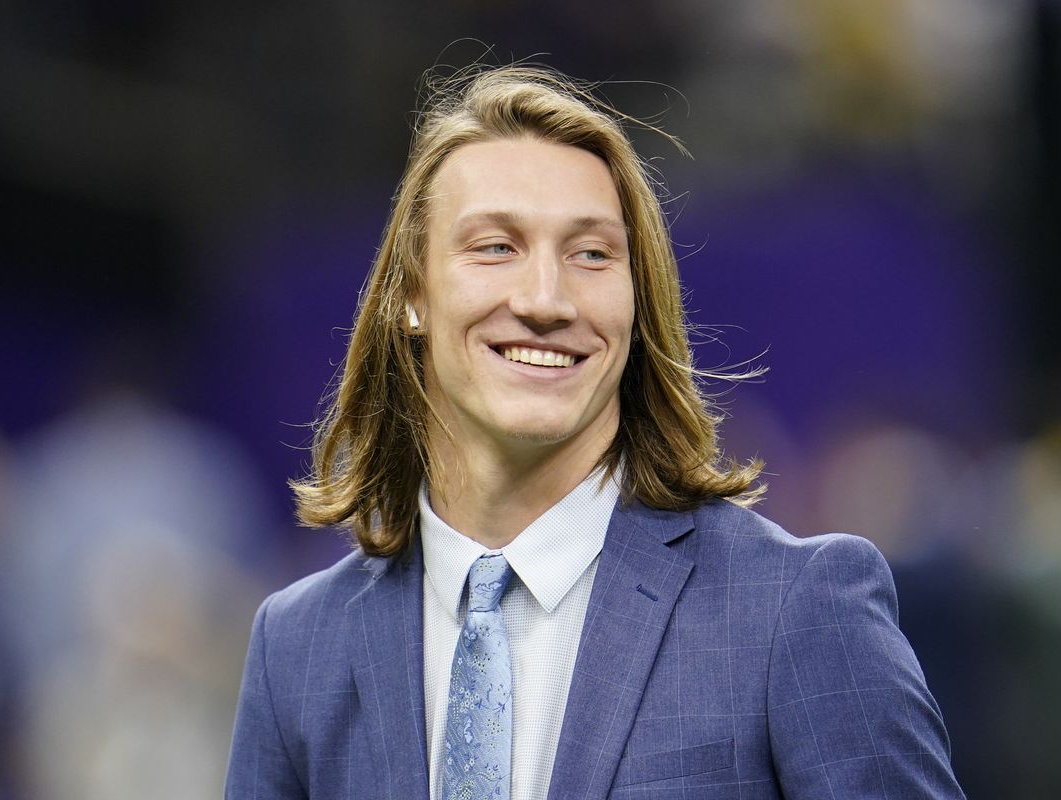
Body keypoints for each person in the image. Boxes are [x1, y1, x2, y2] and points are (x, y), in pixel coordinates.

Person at [225, 64, 964, 799]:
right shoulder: (296, 651)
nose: (546, 299)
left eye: (591, 255)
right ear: (412, 296)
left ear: (636, 307)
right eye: (495, 247)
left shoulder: (794, 609)